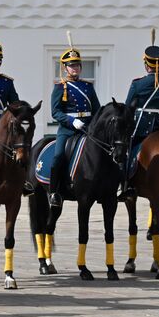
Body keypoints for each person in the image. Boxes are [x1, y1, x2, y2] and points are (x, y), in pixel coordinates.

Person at [122, 39, 159, 196]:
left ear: (146, 64)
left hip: (142, 126)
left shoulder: (137, 84)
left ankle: (126, 184)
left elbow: (128, 109)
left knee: (127, 150)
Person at [48, 43, 101, 208]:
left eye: (77, 65)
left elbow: (97, 109)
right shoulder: (60, 87)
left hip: (87, 128)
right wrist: (72, 121)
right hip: (68, 130)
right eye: (71, 65)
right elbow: (55, 112)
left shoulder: (88, 86)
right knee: (58, 156)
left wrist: (93, 124)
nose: (75, 68)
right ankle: (54, 192)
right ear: (65, 68)